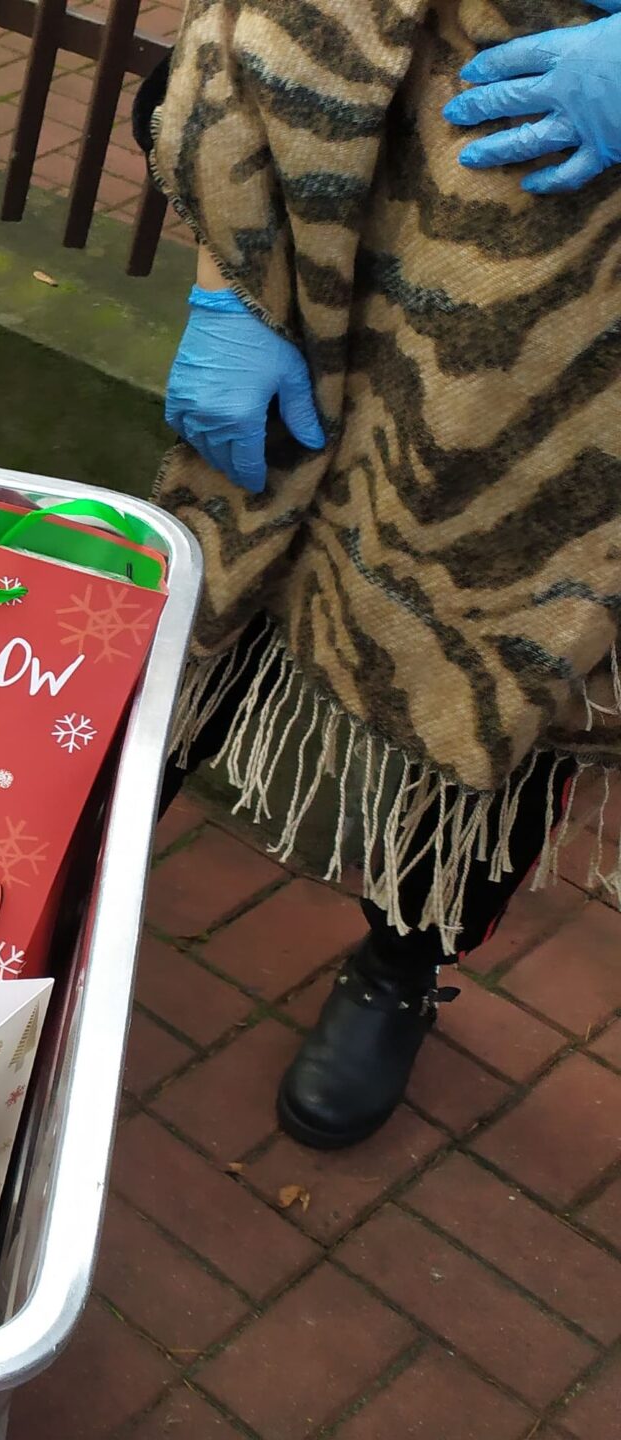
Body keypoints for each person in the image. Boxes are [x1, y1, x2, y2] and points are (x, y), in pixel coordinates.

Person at [135, 0, 619, 1150]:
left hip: (587, 382)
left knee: (513, 662)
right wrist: (226, 278)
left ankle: (402, 958)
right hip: (371, 225)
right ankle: (64, 850)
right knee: (225, 569)